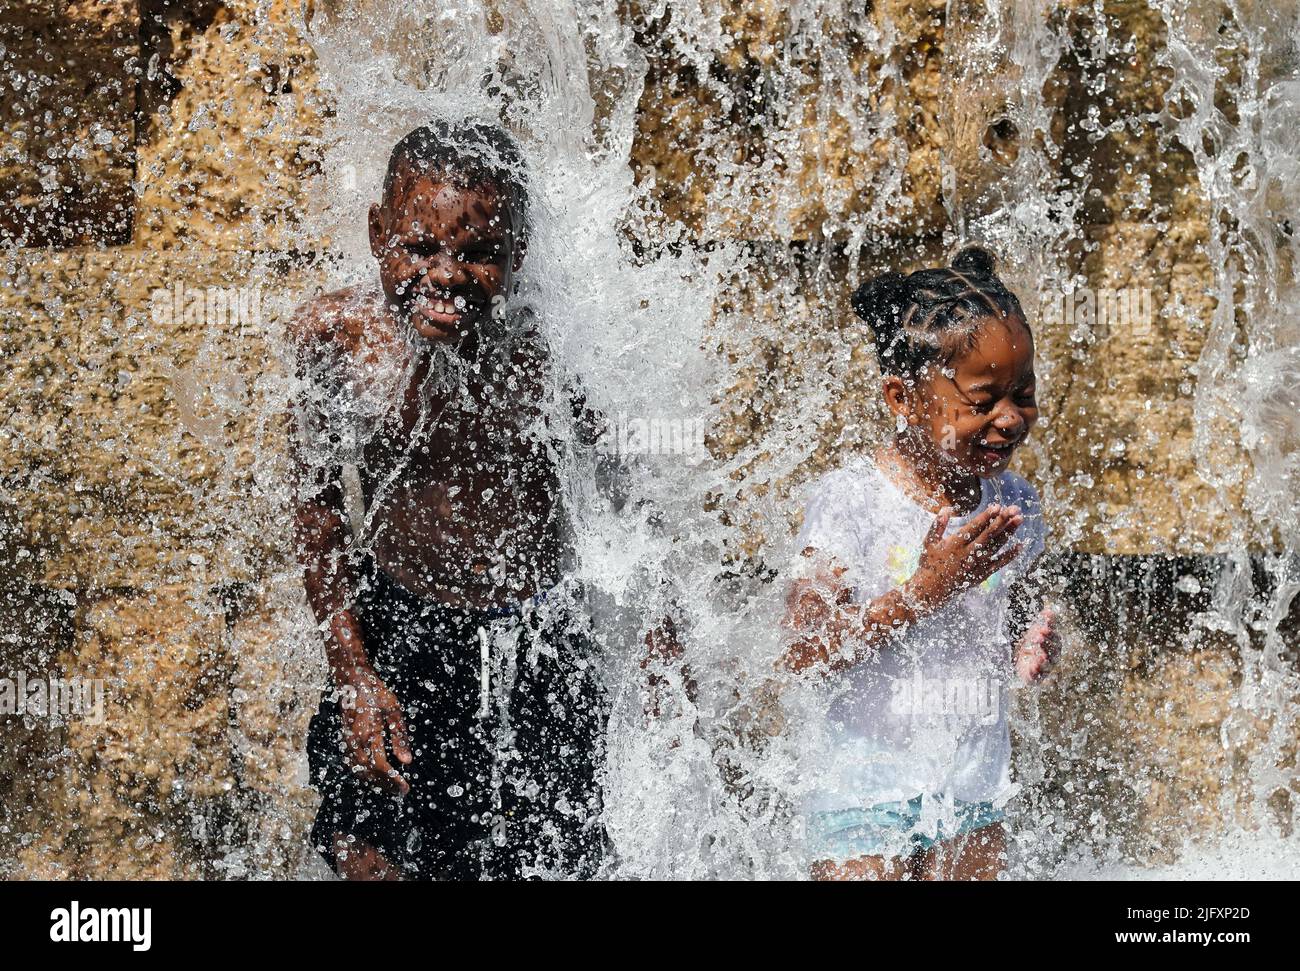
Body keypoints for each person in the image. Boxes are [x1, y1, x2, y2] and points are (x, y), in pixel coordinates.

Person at [288, 119, 606, 880]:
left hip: (533, 642)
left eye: (478, 254)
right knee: (365, 855)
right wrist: (354, 675)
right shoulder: (339, 340)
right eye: (420, 247)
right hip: (400, 626)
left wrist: (658, 654)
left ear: (516, 257)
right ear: (377, 233)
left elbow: (627, 511)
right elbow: (318, 510)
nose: (447, 275)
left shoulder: (555, 353)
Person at [781, 245, 1060, 881]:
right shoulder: (851, 501)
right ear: (903, 398)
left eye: (1024, 393)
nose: (1011, 418)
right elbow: (804, 650)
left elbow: (1008, 609)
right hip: (861, 791)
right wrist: (923, 591)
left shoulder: (1015, 502)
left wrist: (1028, 645)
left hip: (971, 787)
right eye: (984, 400)